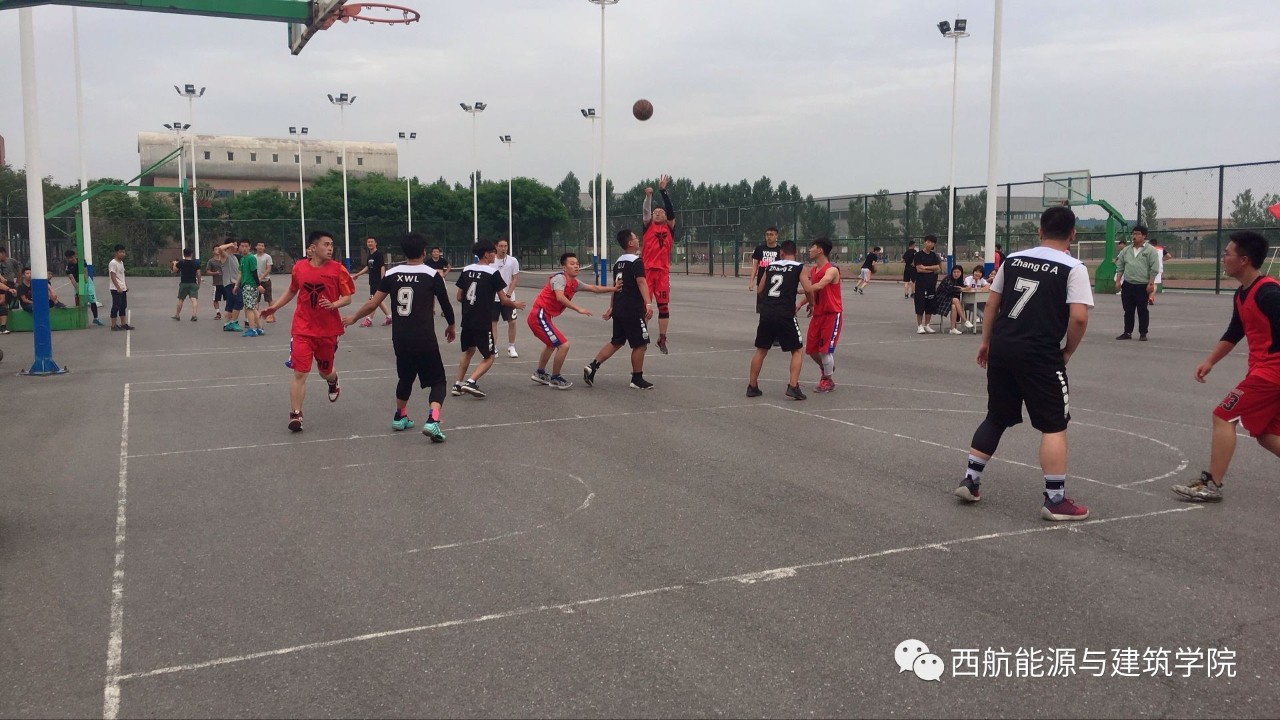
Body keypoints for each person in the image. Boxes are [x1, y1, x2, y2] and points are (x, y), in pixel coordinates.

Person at [954, 205, 1094, 521]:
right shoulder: (1073, 268)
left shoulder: (1014, 260)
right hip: (1040, 353)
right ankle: (1055, 500)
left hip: (1004, 346)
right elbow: (1079, 318)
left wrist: (986, 342)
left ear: (1040, 231)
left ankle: (971, 480)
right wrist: (1067, 351)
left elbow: (992, 303)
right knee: (1054, 424)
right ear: (1072, 234)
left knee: (996, 416)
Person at [1171, 231, 1280, 503]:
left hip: (1271, 373)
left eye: (1227, 253)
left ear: (1244, 260)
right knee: (1267, 434)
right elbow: (1234, 332)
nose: (1223, 258)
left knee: (1223, 415)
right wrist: (1210, 361)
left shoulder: (1269, 293)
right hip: (1263, 371)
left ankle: (1212, 484)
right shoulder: (1243, 294)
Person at [343, 232, 456, 442]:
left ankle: (400, 416)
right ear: (424, 252)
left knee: (406, 376)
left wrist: (354, 317)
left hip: (401, 336)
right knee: (438, 380)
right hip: (424, 336)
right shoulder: (432, 275)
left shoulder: (392, 274)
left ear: (404, 252)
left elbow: (373, 303)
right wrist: (451, 325)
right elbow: (445, 304)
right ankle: (433, 420)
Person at [260, 230, 355, 433]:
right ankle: (296, 414)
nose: (330, 248)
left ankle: (333, 381)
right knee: (300, 372)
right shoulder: (299, 268)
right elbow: (292, 290)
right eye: (326, 244)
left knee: (325, 371)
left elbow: (348, 297)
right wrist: (274, 308)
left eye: (331, 245)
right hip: (302, 329)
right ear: (313, 247)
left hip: (328, 330)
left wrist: (334, 304)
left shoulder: (338, 269)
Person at [527, 251, 618, 390]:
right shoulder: (559, 279)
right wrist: (578, 309)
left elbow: (594, 288)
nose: (576, 266)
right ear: (564, 267)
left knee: (551, 344)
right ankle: (555, 378)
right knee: (563, 345)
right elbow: (560, 297)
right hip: (539, 316)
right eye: (572, 264)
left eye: (577, 264)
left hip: (544, 317)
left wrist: (614, 288)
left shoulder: (575, 283)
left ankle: (540, 373)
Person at [584, 229, 655, 390]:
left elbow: (616, 287)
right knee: (640, 344)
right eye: (635, 238)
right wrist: (648, 303)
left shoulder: (618, 262)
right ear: (630, 243)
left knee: (617, 341)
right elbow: (642, 282)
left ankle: (593, 366)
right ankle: (637, 379)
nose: (638, 240)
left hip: (619, 307)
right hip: (632, 309)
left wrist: (612, 307)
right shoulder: (636, 261)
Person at [453, 240, 524, 399]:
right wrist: (515, 304)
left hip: (467, 320)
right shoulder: (492, 273)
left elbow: (458, 296)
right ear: (486, 254)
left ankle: (457, 384)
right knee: (489, 356)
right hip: (482, 321)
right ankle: (471, 382)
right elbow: (503, 300)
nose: (495, 255)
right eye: (493, 252)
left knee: (468, 351)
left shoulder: (466, 269)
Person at [746, 240, 812, 400]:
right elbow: (809, 289)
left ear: (781, 253)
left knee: (761, 350)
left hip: (767, 312)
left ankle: (752, 386)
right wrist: (812, 303)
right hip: (785, 314)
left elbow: (760, 290)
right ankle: (793, 386)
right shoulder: (799, 267)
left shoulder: (771, 266)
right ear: (795, 253)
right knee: (797, 350)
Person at [641, 174, 677, 354]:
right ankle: (642, 334)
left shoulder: (669, 227)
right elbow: (646, 211)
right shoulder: (648, 225)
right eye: (655, 212)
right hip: (647, 271)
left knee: (663, 306)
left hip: (662, 272)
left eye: (660, 212)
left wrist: (663, 191)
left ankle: (662, 338)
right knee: (644, 306)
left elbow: (670, 211)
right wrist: (648, 197)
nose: (657, 213)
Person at [805, 237, 842, 393]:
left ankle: (827, 380)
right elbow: (813, 290)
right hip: (818, 315)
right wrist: (802, 303)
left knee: (825, 350)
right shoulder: (813, 270)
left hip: (831, 314)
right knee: (811, 350)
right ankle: (827, 369)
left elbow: (820, 285)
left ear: (820, 250)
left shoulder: (831, 270)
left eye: (812, 247)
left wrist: (802, 289)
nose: (809, 250)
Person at [1114, 225, 1159, 340]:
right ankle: (1127, 332)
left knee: (1142, 310)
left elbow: (1154, 268)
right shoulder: (1126, 250)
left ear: (1144, 236)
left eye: (1138, 234)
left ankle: (1143, 333)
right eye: (1133, 234)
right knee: (1128, 310)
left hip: (1142, 285)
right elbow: (1120, 266)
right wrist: (1118, 281)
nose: (1135, 236)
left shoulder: (1150, 250)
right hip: (1128, 284)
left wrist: (1151, 283)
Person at [350, 236, 392, 327]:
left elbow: (382, 267)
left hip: (378, 282)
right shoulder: (370, 256)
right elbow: (367, 267)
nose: (370, 243)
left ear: (375, 243)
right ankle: (389, 317)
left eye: (372, 242)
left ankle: (369, 319)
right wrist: (357, 274)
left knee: (373, 301)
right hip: (372, 282)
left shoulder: (378, 255)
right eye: (368, 242)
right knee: (378, 300)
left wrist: (382, 280)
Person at [492, 238, 522, 357]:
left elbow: (515, 278)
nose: (503, 248)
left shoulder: (513, 261)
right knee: (493, 323)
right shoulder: (491, 260)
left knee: (512, 322)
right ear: (496, 247)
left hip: (509, 297)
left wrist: (508, 294)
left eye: (505, 246)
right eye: (501, 246)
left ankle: (511, 346)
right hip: (493, 298)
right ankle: (493, 348)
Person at [913, 235, 943, 334]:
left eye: (932, 242)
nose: (930, 244)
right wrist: (931, 269)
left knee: (929, 305)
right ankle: (920, 326)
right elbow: (919, 269)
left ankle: (927, 325)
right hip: (921, 285)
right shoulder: (918, 255)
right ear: (925, 242)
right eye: (928, 242)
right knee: (920, 305)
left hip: (931, 284)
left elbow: (938, 268)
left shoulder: (934, 255)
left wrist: (925, 268)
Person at [65, 249, 102, 326]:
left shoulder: (81, 261)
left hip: (86, 280)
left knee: (92, 299)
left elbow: (85, 272)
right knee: (81, 300)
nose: (70, 259)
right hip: (79, 282)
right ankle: (81, 318)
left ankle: (96, 318)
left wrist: (86, 284)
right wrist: (78, 289)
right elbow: (72, 279)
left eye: (71, 257)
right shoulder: (68, 267)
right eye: (68, 258)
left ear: (74, 256)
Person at [748, 227, 782, 307]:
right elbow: (755, 266)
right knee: (762, 307)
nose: (769, 237)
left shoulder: (780, 250)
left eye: (771, 235)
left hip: (776, 282)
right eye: (767, 235)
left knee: (775, 306)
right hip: (761, 282)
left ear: (776, 236)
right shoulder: (759, 249)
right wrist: (751, 281)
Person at [214, 240, 244, 332]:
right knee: (239, 301)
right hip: (231, 283)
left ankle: (227, 324)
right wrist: (231, 244)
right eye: (235, 245)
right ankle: (233, 322)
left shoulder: (234, 257)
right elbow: (220, 249)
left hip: (236, 283)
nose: (237, 247)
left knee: (230, 304)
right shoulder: (225, 255)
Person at [935, 264, 971, 334]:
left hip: (950, 300)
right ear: (952, 272)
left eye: (958, 272)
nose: (956, 274)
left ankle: (952, 328)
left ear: (961, 273)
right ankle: (965, 320)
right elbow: (951, 289)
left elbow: (961, 287)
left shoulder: (959, 280)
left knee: (954, 306)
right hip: (941, 300)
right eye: (954, 272)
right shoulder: (947, 279)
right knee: (956, 300)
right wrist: (961, 289)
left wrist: (966, 287)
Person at [170, 247, 201, 321]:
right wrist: (199, 283)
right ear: (191, 254)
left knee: (181, 299)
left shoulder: (181, 262)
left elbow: (174, 270)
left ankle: (177, 315)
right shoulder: (196, 263)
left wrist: (175, 264)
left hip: (184, 283)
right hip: (193, 283)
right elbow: (199, 274)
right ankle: (194, 315)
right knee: (194, 299)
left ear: (184, 254)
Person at [108, 244, 133, 331]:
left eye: (123, 252)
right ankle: (113, 325)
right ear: (116, 253)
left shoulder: (121, 263)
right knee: (116, 306)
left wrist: (125, 285)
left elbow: (122, 275)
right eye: (120, 252)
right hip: (115, 289)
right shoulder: (113, 263)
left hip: (122, 288)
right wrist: (118, 287)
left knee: (123, 306)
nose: (122, 254)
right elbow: (113, 276)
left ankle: (123, 324)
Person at [254, 242, 275, 321]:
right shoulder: (253, 257)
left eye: (262, 246)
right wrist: (256, 279)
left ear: (264, 248)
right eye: (259, 245)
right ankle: (256, 317)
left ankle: (271, 316)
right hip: (256, 282)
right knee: (256, 300)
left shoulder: (267, 257)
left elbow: (268, 269)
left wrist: (261, 277)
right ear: (256, 247)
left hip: (266, 281)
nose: (260, 247)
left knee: (269, 299)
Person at [1149, 239, 1170, 305]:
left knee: (1148, 283)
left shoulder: (1148, 249)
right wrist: (1162, 259)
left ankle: (1148, 297)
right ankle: (1151, 297)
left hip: (1149, 267)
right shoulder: (1161, 249)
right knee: (1155, 284)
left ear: (1150, 243)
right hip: (1158, 268)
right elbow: (1169, 256)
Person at [205, 250, 224, 320]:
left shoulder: (225, 259)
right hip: (217, 283)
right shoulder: (211, 261)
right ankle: (218, 313)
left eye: (219, 249)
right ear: (213, 251)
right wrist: (215, 273)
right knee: (215, 299)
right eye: (216, 249)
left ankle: (229, 312)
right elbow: (207, 272)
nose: (218, 250)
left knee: (229, 299)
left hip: (227, 283)